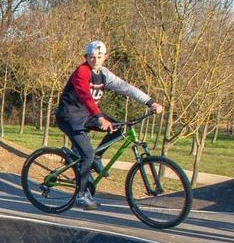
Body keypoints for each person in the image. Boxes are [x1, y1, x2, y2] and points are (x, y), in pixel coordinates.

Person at [55, 40, 163, 210]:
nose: (95, 60)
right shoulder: (82, 72)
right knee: (87, 153)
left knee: (119, 127)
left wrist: (151, 103)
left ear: (105, 57)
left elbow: (126, 88)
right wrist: (99, 117)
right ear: (86, 57)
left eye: (98, 57)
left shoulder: (104, 74)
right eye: (91, 57)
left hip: (88, 115)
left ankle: (97, 157)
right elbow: (86, 97)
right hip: (69, 117)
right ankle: (81, 195)